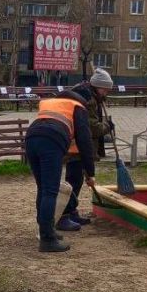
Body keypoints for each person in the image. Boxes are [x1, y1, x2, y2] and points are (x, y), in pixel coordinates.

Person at [25, 89, 96, 253]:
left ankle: (47, 231)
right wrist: (90, 173)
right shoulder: (78, 107)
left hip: (31, 138)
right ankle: (47, 240)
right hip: (51, 139)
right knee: (51, 191)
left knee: (43, 188)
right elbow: (85, 142)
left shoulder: (51, 102)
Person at [58, 69, 115, 231]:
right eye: (105, 89)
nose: (107, 92)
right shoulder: (88, 100)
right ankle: (64, 215)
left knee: (77, 181)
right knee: (73, 180)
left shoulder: (91, 96)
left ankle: (71, 211)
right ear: (97, 87)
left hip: (79, 145)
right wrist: (107, 126)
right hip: (76, 146)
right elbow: (93, 129)